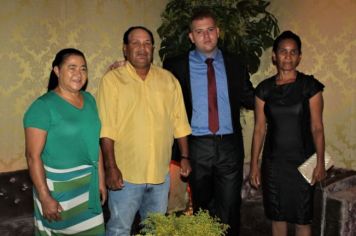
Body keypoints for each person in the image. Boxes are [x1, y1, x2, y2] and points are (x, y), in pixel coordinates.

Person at [163, 9, 255, 236]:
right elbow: (157, 94)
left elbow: (250, 97)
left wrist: (280, 86)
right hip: (196, 146)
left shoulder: (235, 63)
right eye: (199, 32)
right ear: (191, 37)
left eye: (210, 30)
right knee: (202, 209)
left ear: (218, 32)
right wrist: (124, 69)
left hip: (229, 146)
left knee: (230, 209)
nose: (206, 36)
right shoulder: (175, 66)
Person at [96, 26, 191, 235]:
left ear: (153, 48)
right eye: (136, 43)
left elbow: (180, 122)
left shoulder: (169, 80)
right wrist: (111, 168)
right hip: (125, 176)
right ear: (125, 49)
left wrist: (185, 156)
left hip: (160, 175)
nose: (142, 48)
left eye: (147, 43)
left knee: (155, 230)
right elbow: (106, 129)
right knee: (119, 228)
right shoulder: (112, 81)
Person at [249, 30, 326, 236]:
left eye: (293, 52)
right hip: (274, 164)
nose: (288, 57)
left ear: (300, 57)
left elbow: (317, 128)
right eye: (283, 51)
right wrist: (254, 165)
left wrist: (319, 162)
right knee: (278, 217)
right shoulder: (263, 90)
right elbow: (259, 130)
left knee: (302, 219)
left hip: (303, 163)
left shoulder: (310, 87)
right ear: (274, 55)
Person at [23, 48, 107, 235]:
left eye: (83, 68)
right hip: (58, 190)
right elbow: (32, 156)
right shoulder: (42, 106)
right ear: (57, 71)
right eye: (72, 67)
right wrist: (45, 197)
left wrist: (101, 180)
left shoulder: (90, 100)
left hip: (88, 186)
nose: (79, 73)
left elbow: (95, 144)